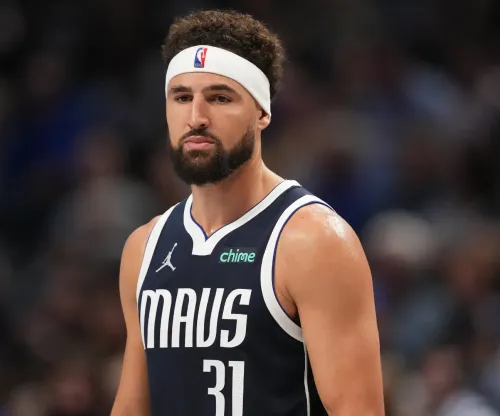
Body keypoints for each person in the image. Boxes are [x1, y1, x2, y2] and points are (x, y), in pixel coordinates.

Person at [111, 9, 384, 416]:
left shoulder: (313, 240)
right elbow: (133, 406)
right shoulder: (144, 248)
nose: (196, 117)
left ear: (262, 113)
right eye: (182, 97)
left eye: (220, 98)